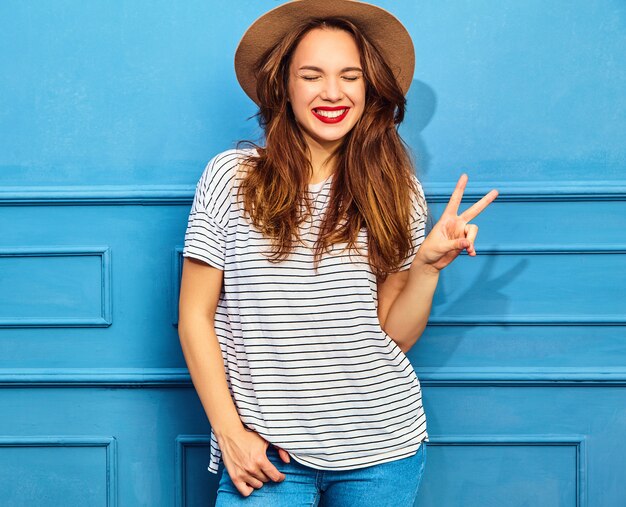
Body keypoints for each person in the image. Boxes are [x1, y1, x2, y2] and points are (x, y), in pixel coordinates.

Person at [177, 1, 498, 505]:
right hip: (269, 454)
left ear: (369, 87)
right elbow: (194, 315)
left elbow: (392, 333)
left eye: (350, 76)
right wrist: (230, 433)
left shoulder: (396, 190)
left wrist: (427, 269)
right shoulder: (232, 177)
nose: (333, 92)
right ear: (284, 85)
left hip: (383, 448)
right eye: (312, 75)